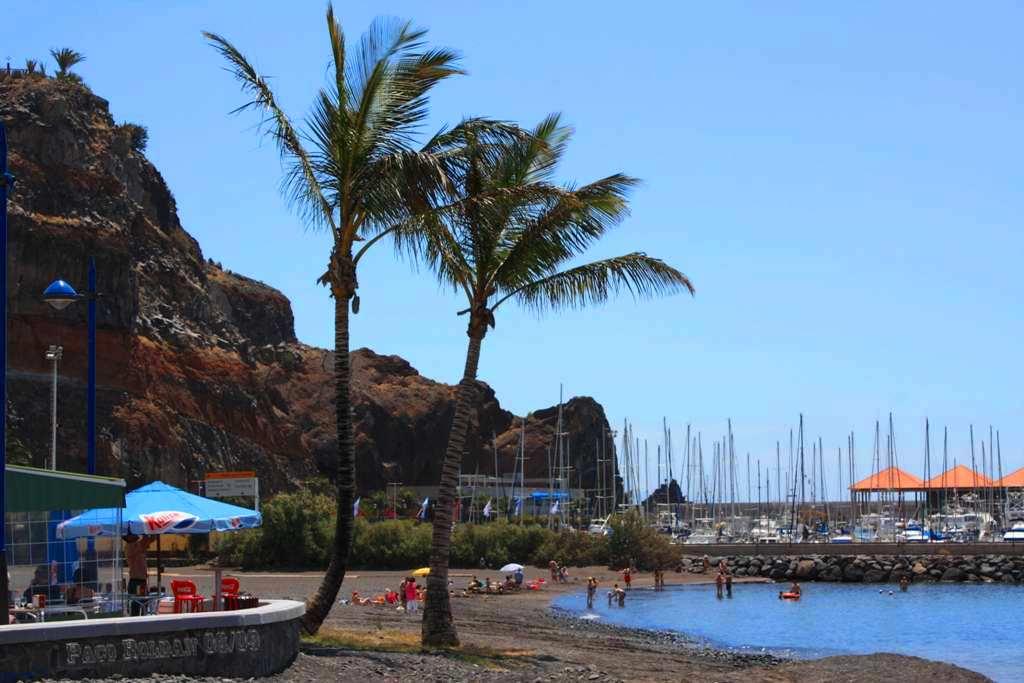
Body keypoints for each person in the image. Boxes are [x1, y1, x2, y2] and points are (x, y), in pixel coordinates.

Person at [124, 534, 155, 615]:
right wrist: (146, 530)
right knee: (138, 606)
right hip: (137, 582)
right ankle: (135, 625)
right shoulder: (131, 546)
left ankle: (143, 624)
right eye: (132, 534)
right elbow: (146, 540)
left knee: (144, 604)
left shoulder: (136, 545)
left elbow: (149, 540)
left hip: (141, 581)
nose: (136, 534)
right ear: (128, 537)